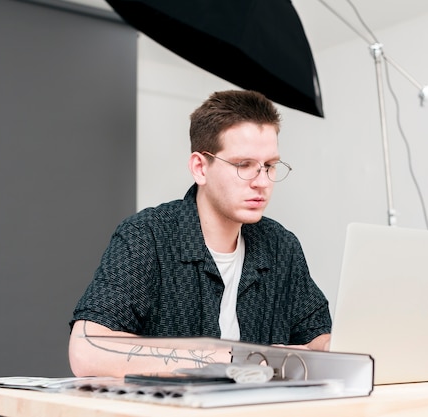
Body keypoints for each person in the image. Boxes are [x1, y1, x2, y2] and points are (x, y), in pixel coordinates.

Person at [69, 90, 331, 377]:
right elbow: (86, 351)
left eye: (269, 166)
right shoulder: (147, 235)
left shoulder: (281, 246)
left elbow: (317, 336)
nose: (262, 182)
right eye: (244, 165)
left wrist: (337, 345)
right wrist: (227, 357)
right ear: (200, 168)